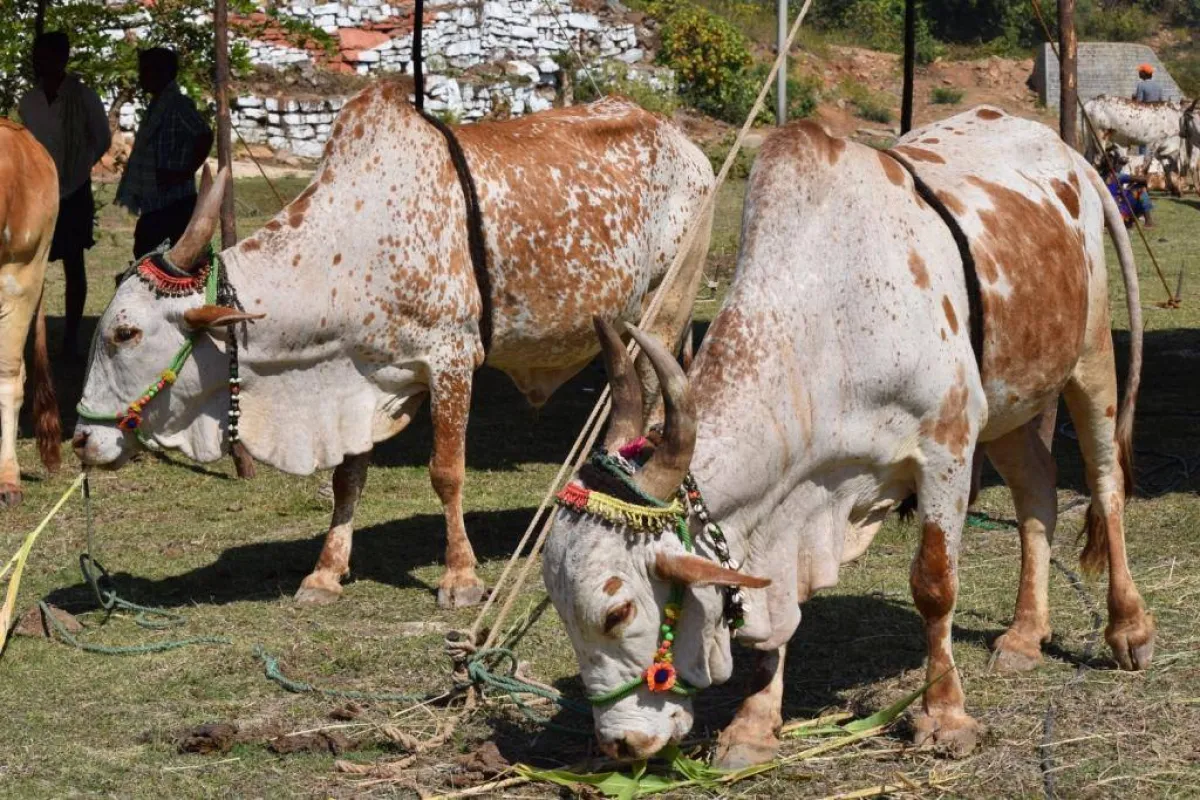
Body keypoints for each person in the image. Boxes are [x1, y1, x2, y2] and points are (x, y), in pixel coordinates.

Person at [17, 31, 111, 360]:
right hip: (37, 193)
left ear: (63, 58)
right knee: (33, 264)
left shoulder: (84, 98)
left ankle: (71, 336)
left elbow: (101, 139)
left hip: (73, 190)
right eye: (40, 55)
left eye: (51, 55)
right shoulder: (28, 101)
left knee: (74, 264)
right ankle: (36, 332)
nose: (44, 62)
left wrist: (77, 166)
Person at [115, 47, 213, 260]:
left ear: (162, 73)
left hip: (175, 201)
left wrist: (183, 172)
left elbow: (204, 136)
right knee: (147, 253)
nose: (141, 77)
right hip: (157, 200)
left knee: (160, 257)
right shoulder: (158, 104)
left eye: (146, 71)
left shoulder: (177, 104)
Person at [1103, 147, 1154, 229]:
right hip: (1117, 213)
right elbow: (1142, 180)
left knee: (1131, 191)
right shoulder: (1116, 176)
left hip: (1107, 215)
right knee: (1140, 189)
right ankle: (1148, 221)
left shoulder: (1098, 177)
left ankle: (1128, 221)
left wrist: (1129, 186)